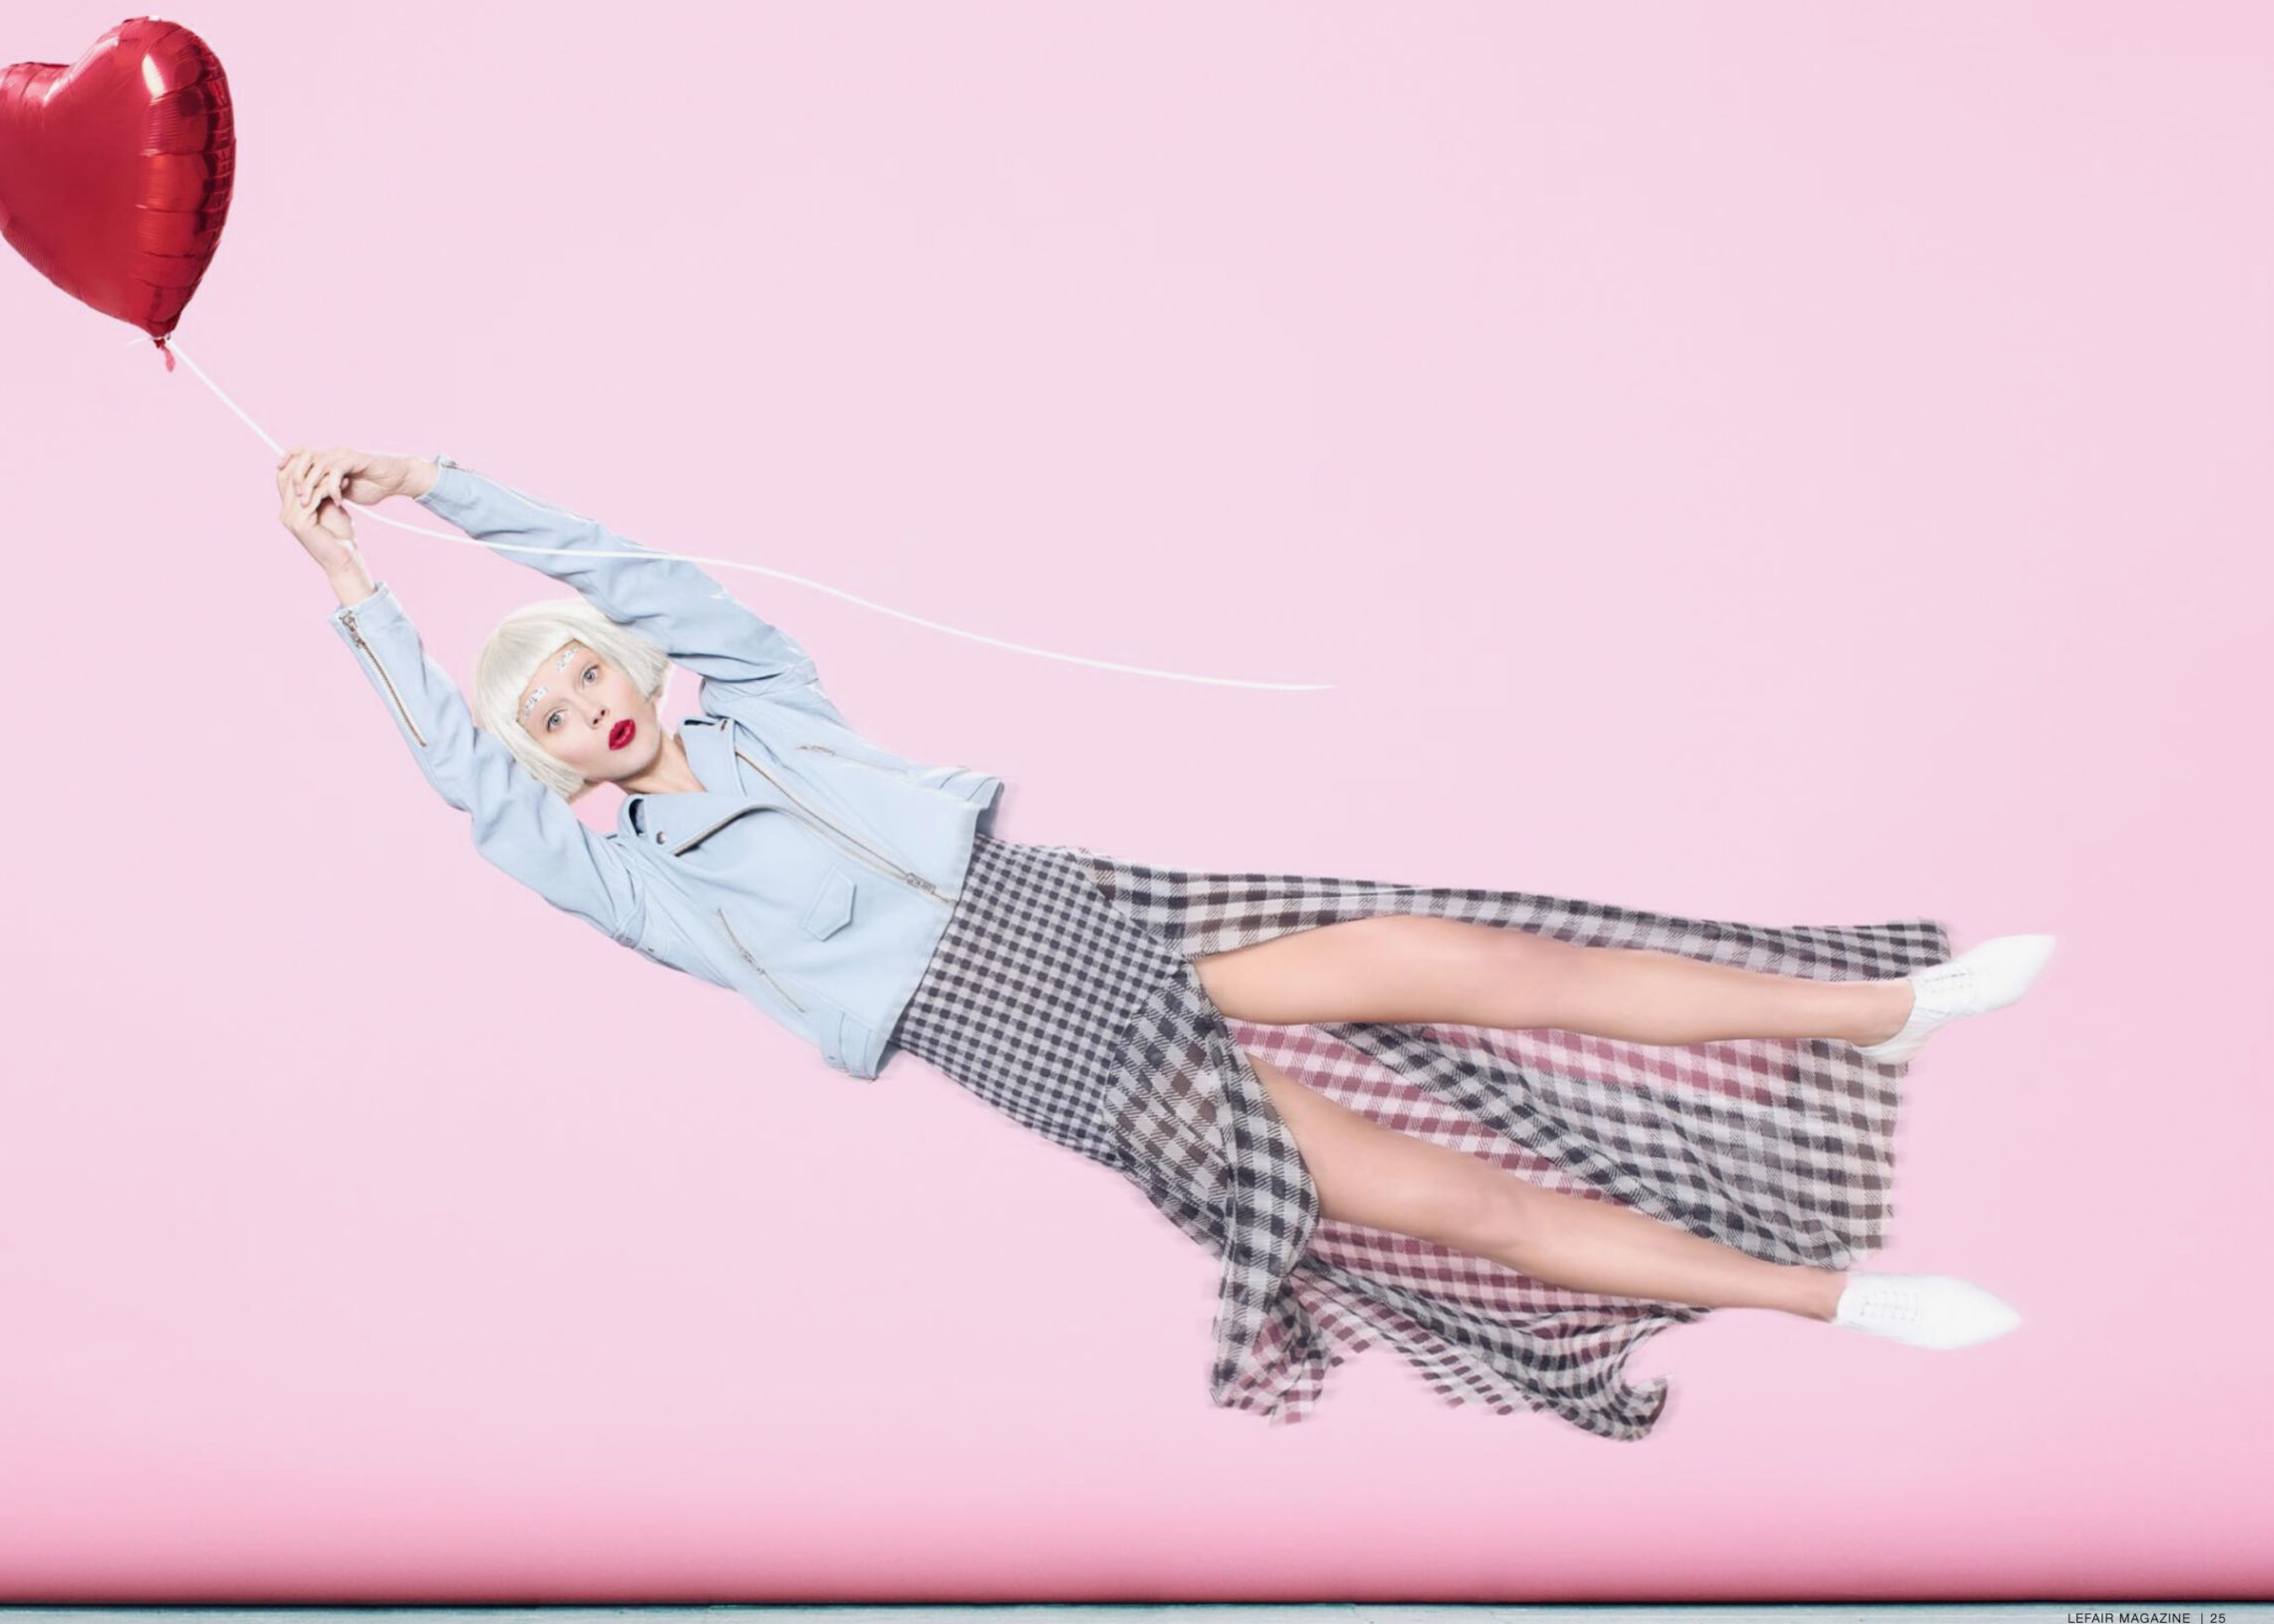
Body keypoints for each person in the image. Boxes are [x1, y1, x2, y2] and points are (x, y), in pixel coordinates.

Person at [274, 444, 2055, 1442]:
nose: (579, 698)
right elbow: (477, 801)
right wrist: (358, 589)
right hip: (1026, 1037)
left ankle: (1875, 1010)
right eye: (547, 707)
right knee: (1444, 1199)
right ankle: (1840, 1301)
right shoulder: (647, 876)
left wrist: (435, 489)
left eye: (581, 665)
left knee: (1474, 958)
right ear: (550, 752)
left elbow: (644, 570)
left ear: (627, 669)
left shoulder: (760, 700)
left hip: (1087, 906)